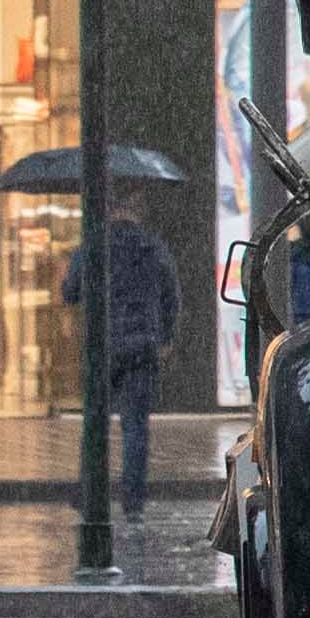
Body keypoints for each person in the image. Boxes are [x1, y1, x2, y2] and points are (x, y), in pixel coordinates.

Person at [82, 203, 181, 512]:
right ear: (136, 211)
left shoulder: (96, 246)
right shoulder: (152, 247)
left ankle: (91, 495)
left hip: (105, 346)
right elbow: (171, 296)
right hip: (142, 347)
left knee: (94, 424)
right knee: (135, 425)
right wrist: (165, 335)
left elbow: (69, 290)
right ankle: (133, 498)